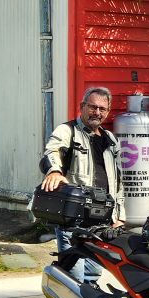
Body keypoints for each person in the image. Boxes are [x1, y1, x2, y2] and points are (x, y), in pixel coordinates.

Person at [40, 87, 124, 224]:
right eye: (92, 107)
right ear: (82, 106)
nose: (97, 113)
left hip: (105, 219)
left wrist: (119, 217)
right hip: (74, 220)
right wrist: (54, 171)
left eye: (102, 109)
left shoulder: (111, 140)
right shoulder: (67, 131)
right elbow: (52, 151)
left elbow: (119, 182)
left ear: (107, 112)